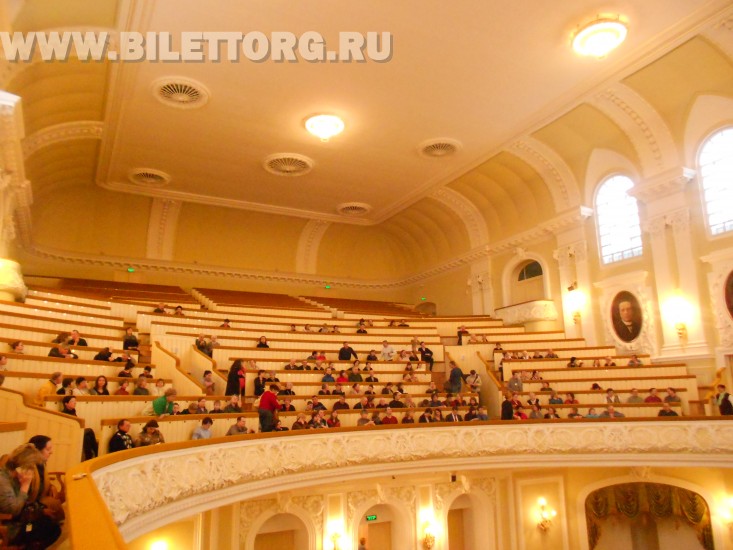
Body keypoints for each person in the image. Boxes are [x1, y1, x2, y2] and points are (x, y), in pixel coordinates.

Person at [0, 443, 61, 548]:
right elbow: (14, 509)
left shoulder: (11, 476)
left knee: (49, 522)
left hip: (18, 520)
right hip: (10, 528)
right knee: (53, 530)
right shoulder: (3, 481)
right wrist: (25, 485)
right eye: (31, 468)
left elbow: (25, 502)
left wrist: (40, 510)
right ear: (23, 467)